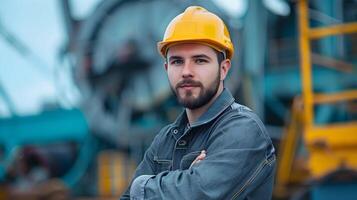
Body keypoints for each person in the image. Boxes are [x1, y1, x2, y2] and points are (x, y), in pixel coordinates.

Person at [120, 6, 276, 200]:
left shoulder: (243, 130)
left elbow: (198, 195)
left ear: (224, 68)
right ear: (166, 68)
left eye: (200, 60)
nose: (186, 71)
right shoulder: (165, 139)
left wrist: (141, 186)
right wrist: (185, 179)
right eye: (177, 61)